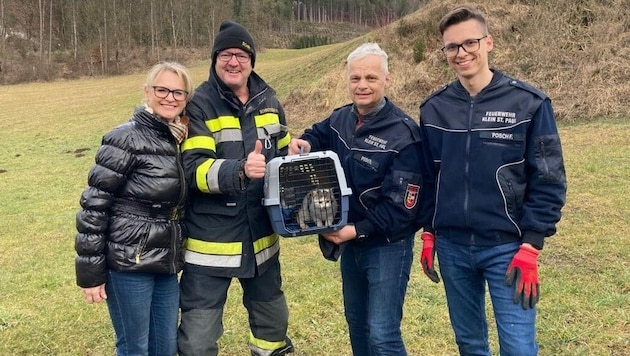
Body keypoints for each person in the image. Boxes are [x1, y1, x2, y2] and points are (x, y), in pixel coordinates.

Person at [418, 6, 567, 355]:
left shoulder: (529, 103)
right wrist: (428, 230)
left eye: (469, 42)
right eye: (451, 47)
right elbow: (428, 177)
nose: (461, 53)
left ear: (489, 43)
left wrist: (531, 246)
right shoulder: (434, 109)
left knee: (517, 346)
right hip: (453, 248)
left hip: (508, 249)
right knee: (470, 344)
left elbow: (549, 178)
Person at [289, 42, 435, 355]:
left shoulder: (404, 135)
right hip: (350, 242)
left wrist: (353, 230)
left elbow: (403, 210)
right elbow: (317, 134)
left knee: (382, 334)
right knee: (357, 323)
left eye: (370, 77)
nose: (362, 85)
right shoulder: (340, 118)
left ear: (387, 79)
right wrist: (303, 143)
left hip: (386, 246)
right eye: (355, 78)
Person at [177, 20, 294, 356]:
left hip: (262, 244)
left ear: (252, 61)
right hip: (210, 245)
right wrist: (239, 169)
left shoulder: (269, 100)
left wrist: (293, 151)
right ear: (215, 59)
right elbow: (193, 169)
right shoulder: (199, 104)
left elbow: (281, 153)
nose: (233, 62)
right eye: (226, 54)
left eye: (241, 55)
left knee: (272, 328)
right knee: (198, 340)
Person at [75, 61, 193, 356]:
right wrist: (91, 274)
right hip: (129, 261)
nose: (170, 97)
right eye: (162, 89)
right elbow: (94, 205)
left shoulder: (176, 138)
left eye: (178, 92)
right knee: (134, 347)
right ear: (147, 92)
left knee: (164, 347)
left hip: (165, 262)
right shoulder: (125, 137)